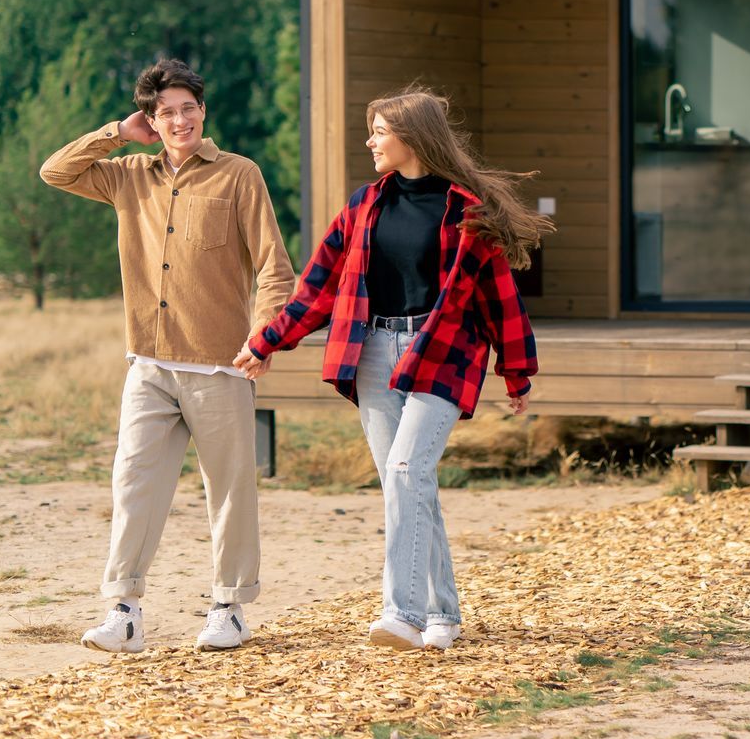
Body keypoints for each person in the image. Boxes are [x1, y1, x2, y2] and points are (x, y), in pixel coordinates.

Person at [235, 88, 545, 651]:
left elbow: (501, 295)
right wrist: (268, 342)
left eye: (379, 130)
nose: (370, 140)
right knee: (408, 483)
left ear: (411, 136)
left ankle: (400, 613)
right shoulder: (364, 205)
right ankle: (443, 614)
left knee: (406, 472)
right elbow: (319, 287)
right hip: (373, 350)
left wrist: (516, 370)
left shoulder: (464, 210)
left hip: (442, 349)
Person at [40, 58, 295, 653]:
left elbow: (274, 268)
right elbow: (55, 171)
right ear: (151, 119)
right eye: (165, 112)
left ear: (202, 111)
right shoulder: (128, 175)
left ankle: (228, 608)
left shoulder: (239, 175)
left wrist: (264, 338)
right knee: (133, 481)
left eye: (188, 108)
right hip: (149, 364)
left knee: (228, 489)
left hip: (220, 365)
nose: (179, 120)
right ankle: (125, 611)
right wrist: (114, 133)